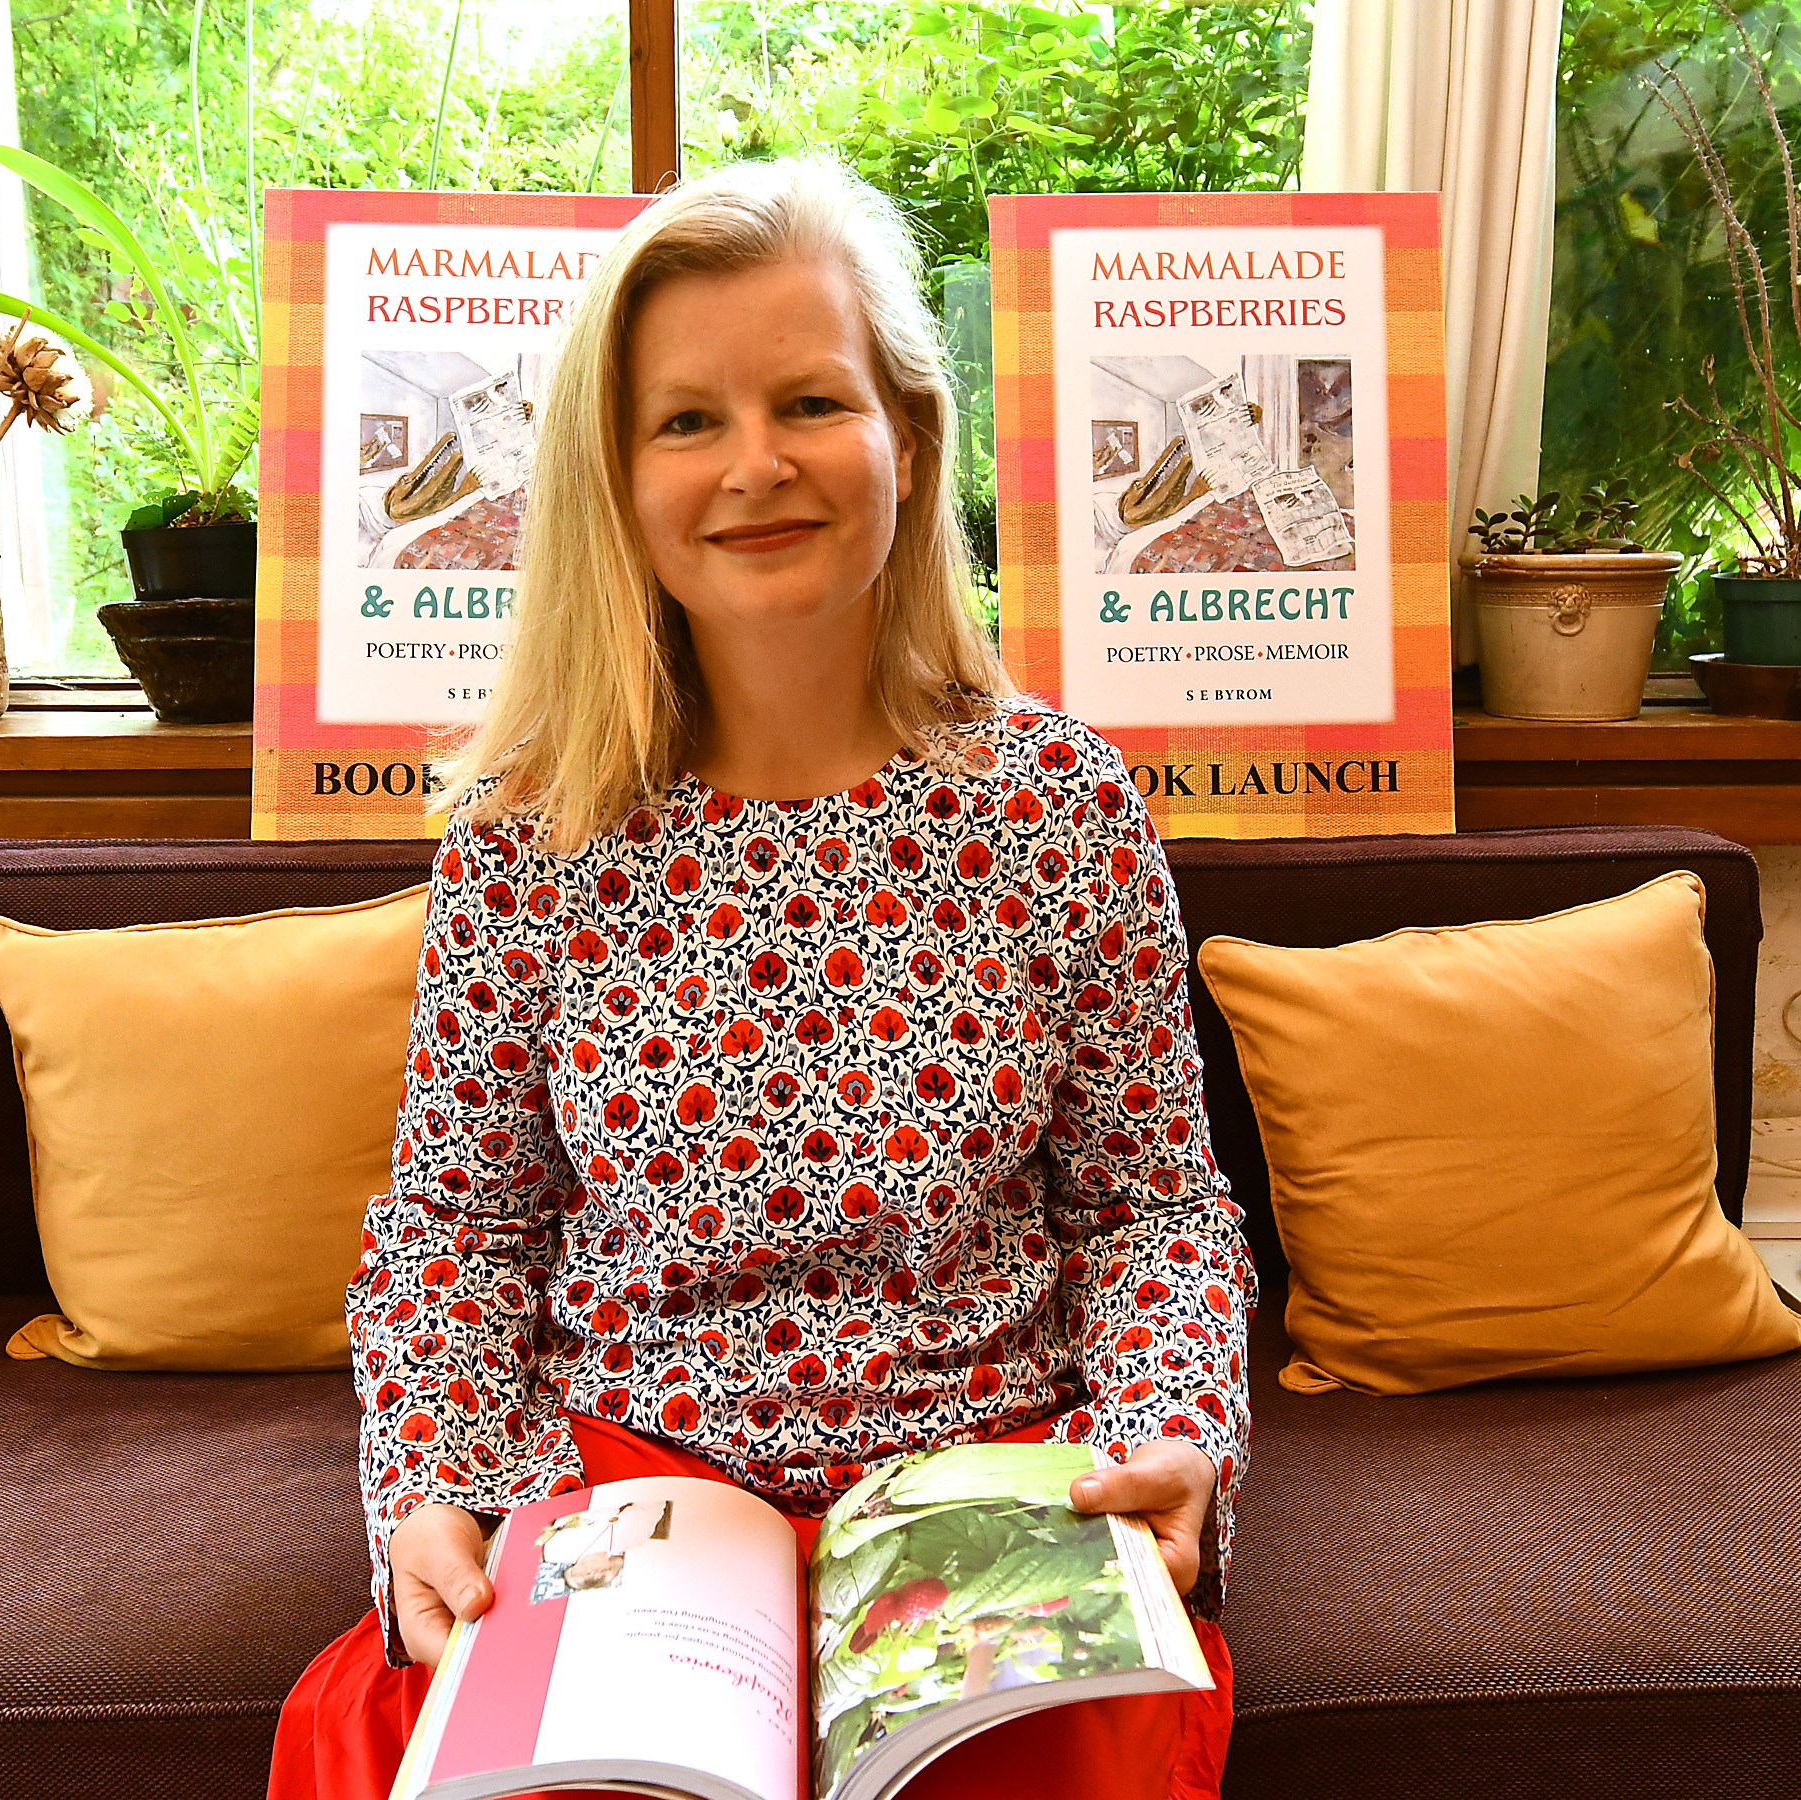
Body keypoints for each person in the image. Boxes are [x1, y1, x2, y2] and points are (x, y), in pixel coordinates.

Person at [270, 156, 1257, 1800]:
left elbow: (1153, 1206)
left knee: (1062, 1757)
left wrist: (1178, 1432)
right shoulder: (529, 836)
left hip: (981, 1490)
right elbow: (456, 1227)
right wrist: (428, 1486)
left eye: (810, 399)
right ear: (613, 478)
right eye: (685, 422)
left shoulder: (1058, 808)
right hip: (618, 1498)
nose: (757, 467)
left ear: (907, 439)